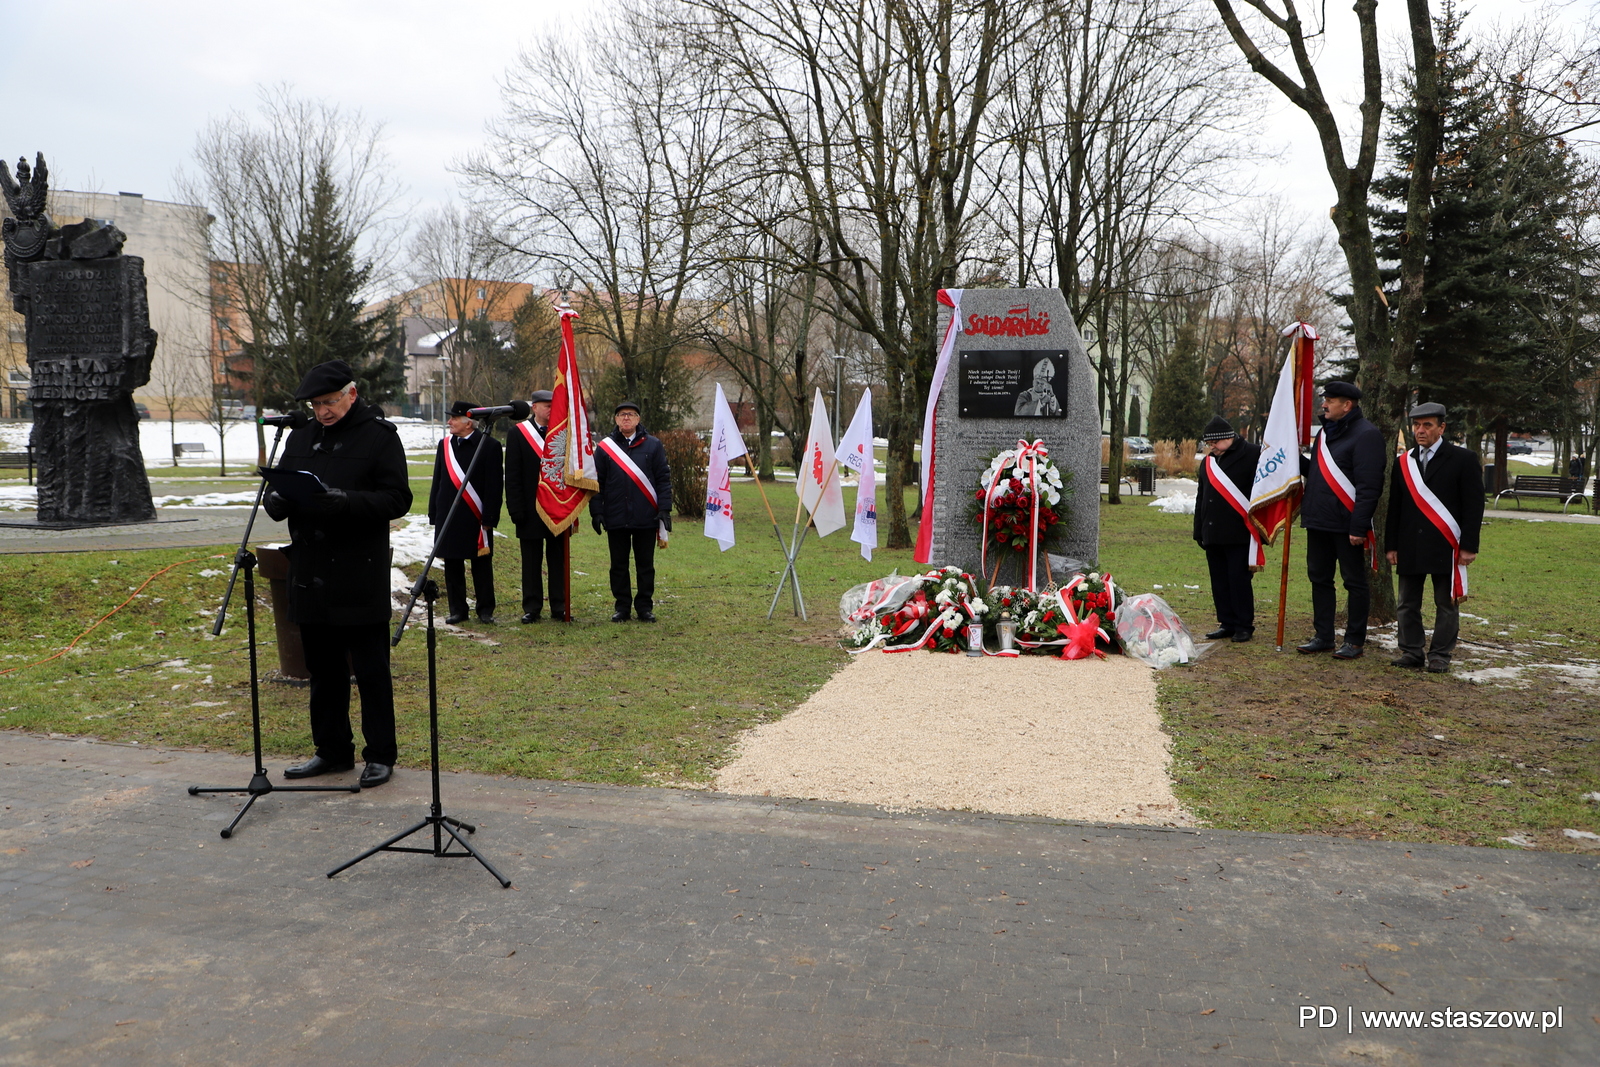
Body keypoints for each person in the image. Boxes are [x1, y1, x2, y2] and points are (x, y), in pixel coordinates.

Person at [263, 360, 411, 788]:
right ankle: (331, 751)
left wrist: (346, 501)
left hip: (357, 572)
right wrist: (279, 500)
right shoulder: (303, 436)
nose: (323, 411)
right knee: (323, 672)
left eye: (329, 402)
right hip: (309, 570)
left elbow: (397, 499)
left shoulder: (379, 437)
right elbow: (287, 484)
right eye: (316, 404)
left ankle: (380, 754)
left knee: (370, 671)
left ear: (352, 393)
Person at [1385, 402, 1483, 673]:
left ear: (1442, 428)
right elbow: (1395, 506)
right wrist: (1391, 545)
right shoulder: (1404, 462)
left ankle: (1440, 654)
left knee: (1446, 603)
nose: (1420, 430)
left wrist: (1469, 546)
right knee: (1407, 603)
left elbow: (1474, 507)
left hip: (1446, 544)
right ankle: (1411, 651)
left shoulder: (1463, 459)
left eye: (1427, 425)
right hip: (1410, 544)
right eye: (1416, 425)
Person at [1297, 380, 1386, 659]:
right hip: (1319, 521)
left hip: (1347, 525)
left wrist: (1359, 526)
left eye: (1330, 400)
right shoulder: (1324, 434)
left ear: (1347, 405)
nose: (1323, 404)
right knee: (1319, 579)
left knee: (1354, 582)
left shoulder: (1367, 435)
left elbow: (1369, 486)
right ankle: (1323, 636)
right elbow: (1317, 472)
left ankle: (1354, 640)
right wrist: (1291, 457)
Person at [592, 400, 672, 622]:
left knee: (645, 565)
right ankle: (622, 607)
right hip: (616, 516)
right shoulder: (605, 448)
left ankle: (644, 607)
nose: (626, 418)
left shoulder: (653, 445)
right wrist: (596, 511)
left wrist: (665, 509)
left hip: (646, 516)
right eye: (621, 415)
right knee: (618, 565)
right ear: (616, 420)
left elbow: (663, 479)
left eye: (631, 414)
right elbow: (597, 481)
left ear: (638, 419)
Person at [429, 401, 503, 625]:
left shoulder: (489, 445)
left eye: (454, 418)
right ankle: (458, 610)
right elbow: (438, 480)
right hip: (449, 514)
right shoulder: (445, 445)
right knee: (452, 563)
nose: (449, 422)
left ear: (468, 422)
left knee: (480, 564)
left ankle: (485, 610)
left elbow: (494, 486)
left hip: (476, 515)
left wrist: (490, 517)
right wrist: (434, 512)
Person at [1193, 415, 1262, 642]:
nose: (1211, 448)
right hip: (1212, 532)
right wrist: (1198, 530)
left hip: (1239, 532)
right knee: (1219, 581)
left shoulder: (1253, 454)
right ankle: (1227, 622)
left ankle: (1244, 625)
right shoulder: (1209, 462)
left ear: (1228, 438)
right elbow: (1201, 497)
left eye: (1214, 443)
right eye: (1209, 444)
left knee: (1238, 581)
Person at [504, 389, 566, 623]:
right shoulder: (518, 434)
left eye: (554, 405)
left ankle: (559, 605)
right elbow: (512, 474)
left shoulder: (563, 433)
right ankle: (532, 607)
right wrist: (515, 509)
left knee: (557, 560)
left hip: (558, 507)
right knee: (531, 562)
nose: (551, 409)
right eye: (546, 405)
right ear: (534, 408)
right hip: (529, 509)